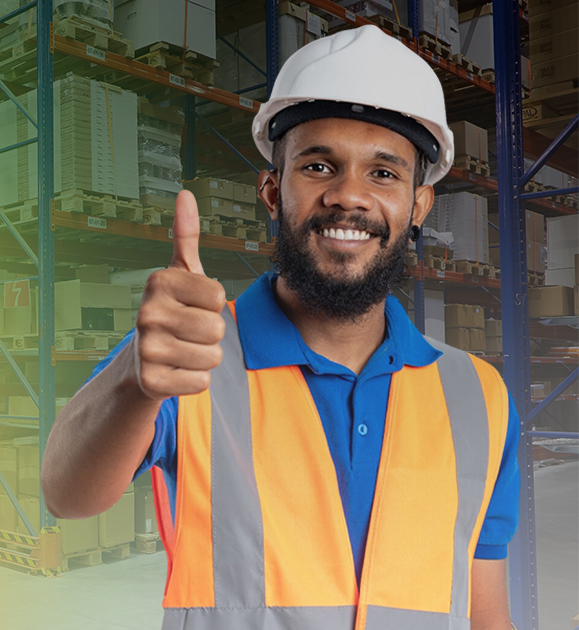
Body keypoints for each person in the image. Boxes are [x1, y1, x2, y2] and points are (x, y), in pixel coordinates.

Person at [41, 25, 519, 630]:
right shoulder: (191, 358)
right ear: (272, 192)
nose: (348, 197)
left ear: (418, 206)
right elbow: (65, 493)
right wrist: (133, 378)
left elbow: (486, 615)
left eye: (383, 173)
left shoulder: (477, 396)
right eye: (319, 166)